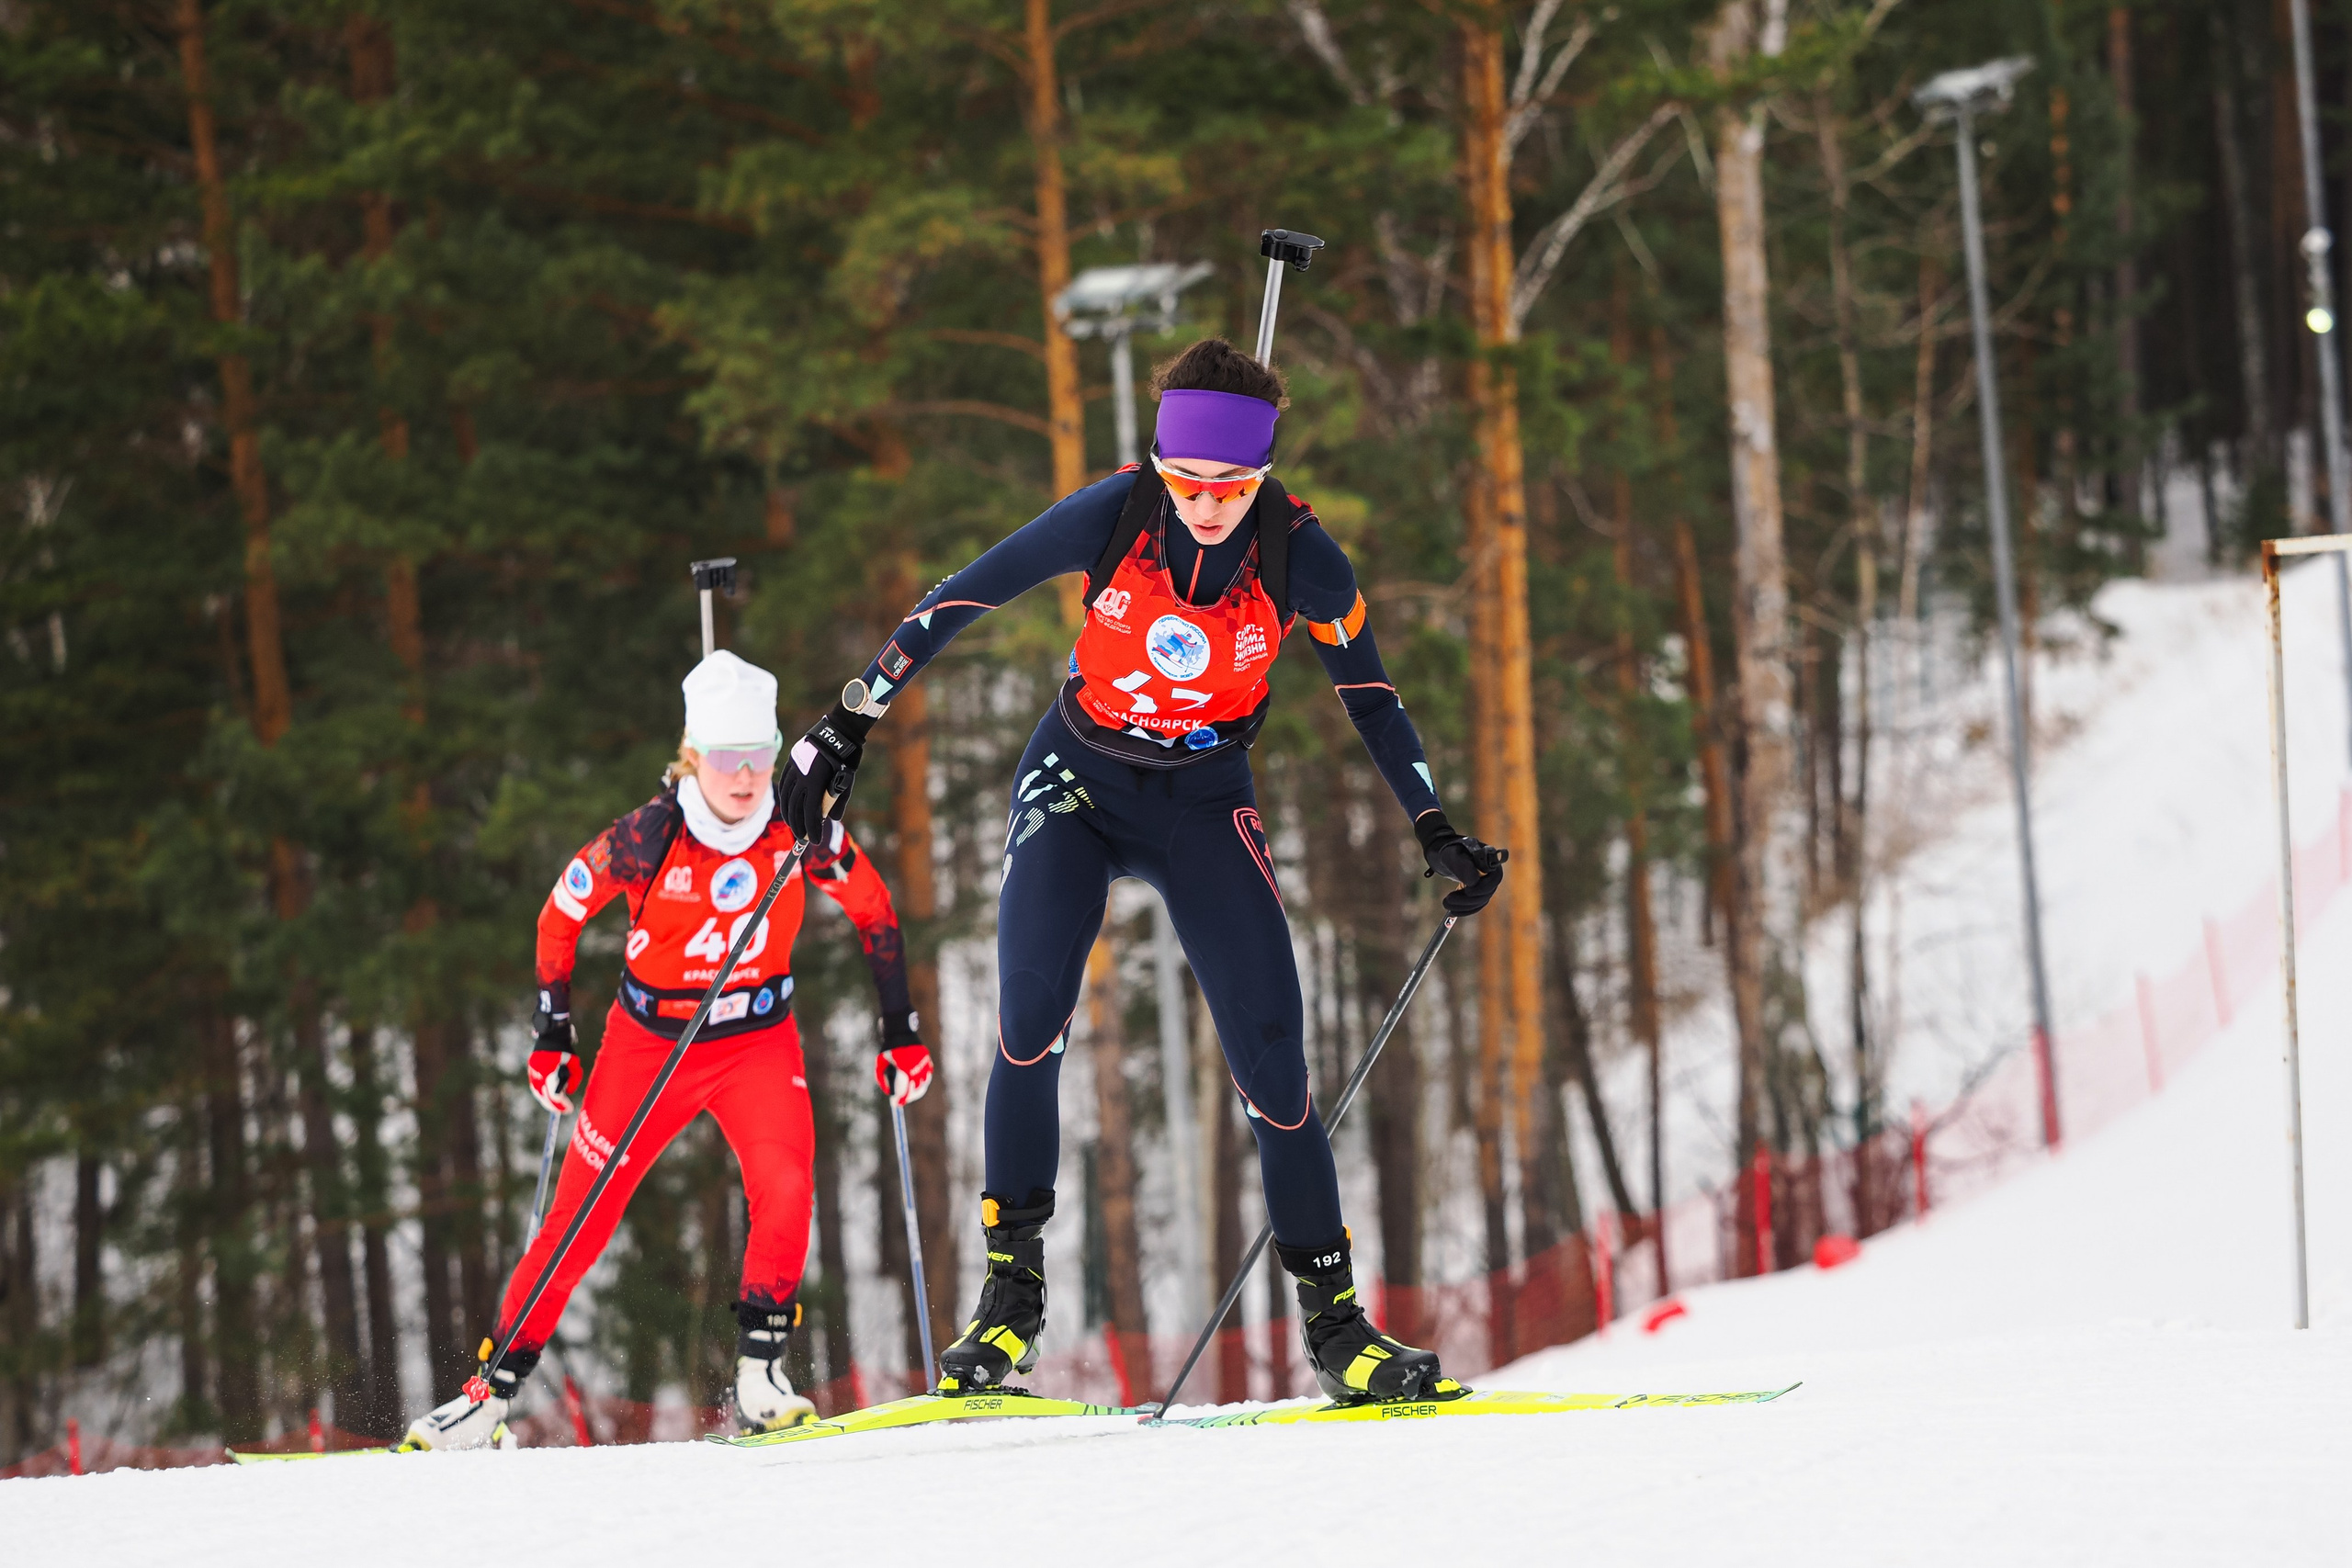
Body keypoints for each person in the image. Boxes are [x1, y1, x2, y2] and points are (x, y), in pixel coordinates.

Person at [780, 339, 1505, 1405]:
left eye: (1231, 486)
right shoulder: (1112, 515)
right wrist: (850, 719)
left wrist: (1432, 823)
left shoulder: (1305, 560)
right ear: (1159, 466)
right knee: (1028, 1017)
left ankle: (1338, 1328)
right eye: (1189, 483)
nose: (1208, 505)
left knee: (1274, 1061)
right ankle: (1010, 1306)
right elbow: (957, 599)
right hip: (1077, 780)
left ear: (1262, 477)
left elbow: (1371, 695)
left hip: (1204, 801)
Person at [404, 650, 933, 1449]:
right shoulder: (647, 839)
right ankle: (490, 1394)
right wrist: (553, 1030)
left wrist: (900, 1029)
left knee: (787, 1184)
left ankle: (761, 1371)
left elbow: (875, 910)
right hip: (649, 1045)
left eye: (761, 756)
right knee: (578, 1217)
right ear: (692, 757)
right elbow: (558, 915)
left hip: (756, 1040)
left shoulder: (800, 826)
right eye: (728, 759)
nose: (748, 777)